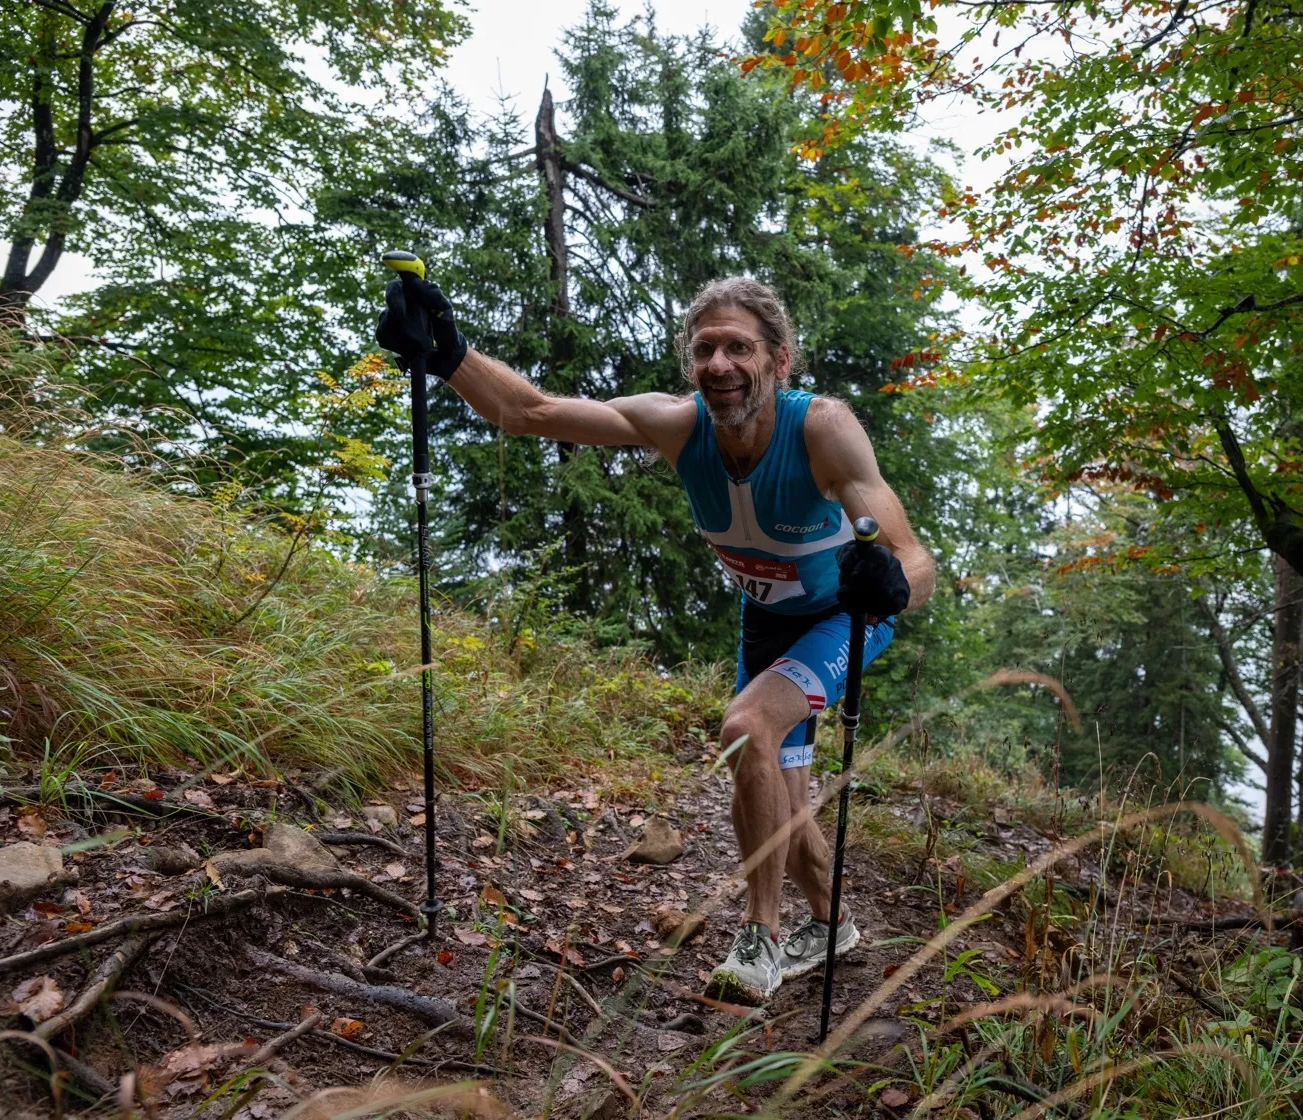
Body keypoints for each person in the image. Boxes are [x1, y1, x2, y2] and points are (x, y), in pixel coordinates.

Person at [377, 275, 935, 1004]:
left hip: (844, 619)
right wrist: (449, 355)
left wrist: (890, 583)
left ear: (779, 361)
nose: (720, 364)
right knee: (780, 798)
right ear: (689, 364)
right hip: (767, 624)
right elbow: (532, 412)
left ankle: (760, 941)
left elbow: (915, 560)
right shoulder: (677, 425)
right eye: (705, 349)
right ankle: (831, 925)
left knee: (746, 727)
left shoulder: (821, 429)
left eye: (740, 347)